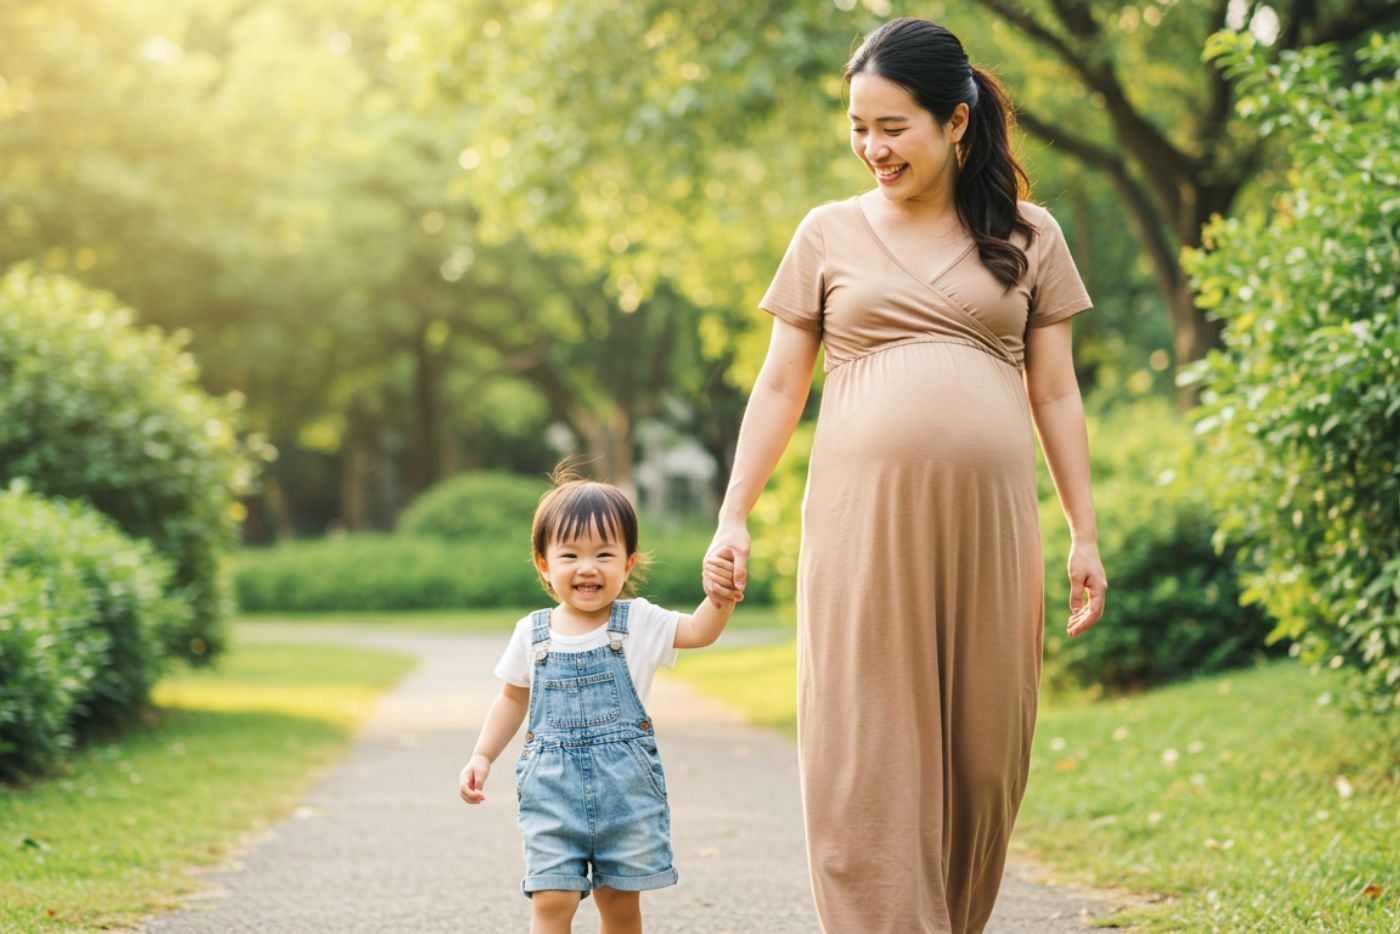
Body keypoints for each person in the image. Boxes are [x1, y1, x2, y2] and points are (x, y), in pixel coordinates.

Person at [700, 17, 1109, 934]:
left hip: (992, 529)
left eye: (893, 127)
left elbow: (1056, 395)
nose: (871, 147)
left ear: (956, 122)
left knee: (984, 758)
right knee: (865, 752)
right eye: (858, 126)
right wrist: (734, 514)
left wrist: (1083, 533)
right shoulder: (826, 234)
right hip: (862, 526)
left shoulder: (1031, 236)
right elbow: (777, 385)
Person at [459, 461, 737, 934]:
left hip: (624, 798)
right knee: (552, 899)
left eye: (604, 555)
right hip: (552, 796)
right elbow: (511, 698)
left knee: (619, 903)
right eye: (570, 556)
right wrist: (482, 755)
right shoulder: (533, 632)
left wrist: (721, 597)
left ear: (628, 563)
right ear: (544, 565)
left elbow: (697, 631)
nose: (587, 568)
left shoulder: (640, 622)